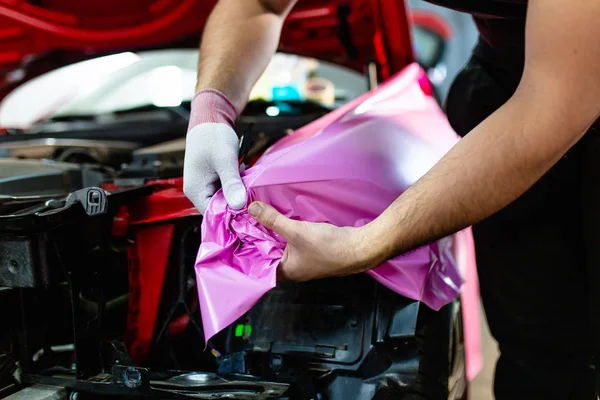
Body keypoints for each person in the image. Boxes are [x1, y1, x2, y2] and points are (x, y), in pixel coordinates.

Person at [183, 0, 600, 398]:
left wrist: (366, 244)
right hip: (511, 69)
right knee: (538, 349)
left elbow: (553, 104)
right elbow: (261, 4)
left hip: (565, 84)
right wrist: (211, 108)